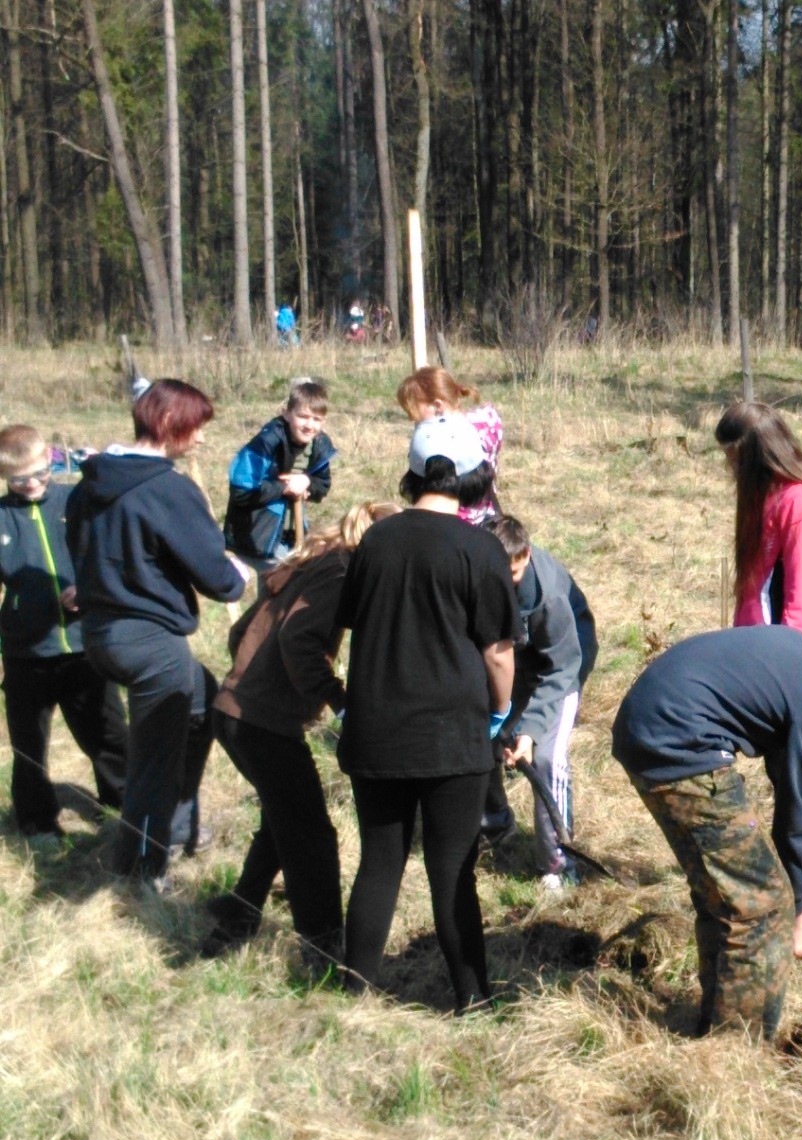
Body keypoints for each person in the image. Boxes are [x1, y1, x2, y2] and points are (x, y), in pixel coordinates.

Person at [611, 624, 802, 1038]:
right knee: (762, 907)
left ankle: (717, 1019)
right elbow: (795, 817)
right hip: (678, 742)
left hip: (650, 728)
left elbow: (782, 792)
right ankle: (739, 1046)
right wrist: (793, 910)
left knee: (725, 894)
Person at [331, 415, 517, 1010]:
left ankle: (352, 992)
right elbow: (498, 651)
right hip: (451, 738)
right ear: (473, 476)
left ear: (413, 474)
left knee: (378, 865)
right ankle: (474, 998)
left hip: (376, 730)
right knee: (452, 871)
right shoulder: (481, 550)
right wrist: (502, 710)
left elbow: (353, 623)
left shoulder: (375, 542)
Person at [67, 380, 251, 886]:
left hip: (101, 634)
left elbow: (79, 550)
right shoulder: (166, 490)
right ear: (171, 425)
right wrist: (237, 574)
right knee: (153, 760)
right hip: (150, 645)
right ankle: (143, 872)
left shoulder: (89, 484)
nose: (201, 440)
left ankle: (176, 823)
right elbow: (217, 579)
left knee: (204, 702)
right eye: (196, 429)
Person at [206, 499, 398, 972]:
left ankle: (239, 912)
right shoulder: (338, 573)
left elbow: (244, 632)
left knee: (283, 819)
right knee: (311, 837)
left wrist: (248, 675)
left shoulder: (314, 561)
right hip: (260, 722)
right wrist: (336, 697)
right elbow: (299, 641)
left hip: (237, 709)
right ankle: (323, 950)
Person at [0, 423, 127, 846]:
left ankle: (125, 802)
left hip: (84, 645)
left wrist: (89, 591)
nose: (33, 484)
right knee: (28, 744)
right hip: (26, 653)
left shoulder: (77, 499)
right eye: (20, 479)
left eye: (40, 472)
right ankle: (37, 822)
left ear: (51, 459)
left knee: (107, 732)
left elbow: (110, 553)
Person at [484, 515, 598, 889]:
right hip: (511, 662)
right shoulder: (477, 574)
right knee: (483, 737)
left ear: (526, 555)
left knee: (548, 758)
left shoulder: (548, 597)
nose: (505, 583)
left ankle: (559, 864)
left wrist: (529, 731)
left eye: (513, 575)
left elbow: (562, 667)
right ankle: (496, 827)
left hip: (560, 665)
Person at [716, 401, 802, 644]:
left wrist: (786, 655)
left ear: (756, 454)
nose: (730, 467)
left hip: (782, 650)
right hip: (752, 643)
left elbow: (799, 592)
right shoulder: (760, 497)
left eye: (734, 458)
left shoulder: (801, 502)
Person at [224, 378, 337, 572]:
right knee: (277, 589)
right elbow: (242, 491)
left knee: (292, 584)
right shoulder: (267, 442)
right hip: (257, 532)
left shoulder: (319, 443)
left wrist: (307, 482)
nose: (310, 425)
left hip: (293, 531)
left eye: (316, 419)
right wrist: (285, 488)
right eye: (303, 416)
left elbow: (323, 485)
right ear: (286, 413)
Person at [397, 365, 502, 525]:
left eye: (415, 412)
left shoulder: (443, 442)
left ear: (438, 406)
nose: (413, 419)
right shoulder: (487, 421)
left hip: (454, 521)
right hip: (488, 514)